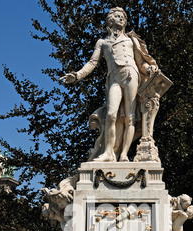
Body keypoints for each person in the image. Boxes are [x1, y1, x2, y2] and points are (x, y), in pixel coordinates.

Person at [60, 7, 158, 162]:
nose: (121, 19)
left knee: (130, 116)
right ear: (110, 20)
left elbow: (140, 62)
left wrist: (149, 68)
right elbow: (92, 63)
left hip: (131, 75)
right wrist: (77, 75)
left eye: (123, 17)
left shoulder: (131, 40)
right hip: (114, 78)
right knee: (111, 114)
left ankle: (124, 154)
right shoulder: (103, 42)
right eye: (117, 16)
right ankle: (108, 153)